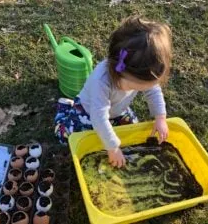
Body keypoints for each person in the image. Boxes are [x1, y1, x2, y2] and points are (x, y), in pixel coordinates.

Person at [54, 16, 172, 168]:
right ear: (121, 73)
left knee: (131, 130)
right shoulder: (101, 81)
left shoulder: (141, 72)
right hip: (89, 110)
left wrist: (160, 117)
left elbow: (153, 90)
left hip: (117, 110)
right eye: (136, 86)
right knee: (67, 138)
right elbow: (99, 117)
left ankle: (111, 130)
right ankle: (63, 110)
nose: (142, 90)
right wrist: (113, 148)